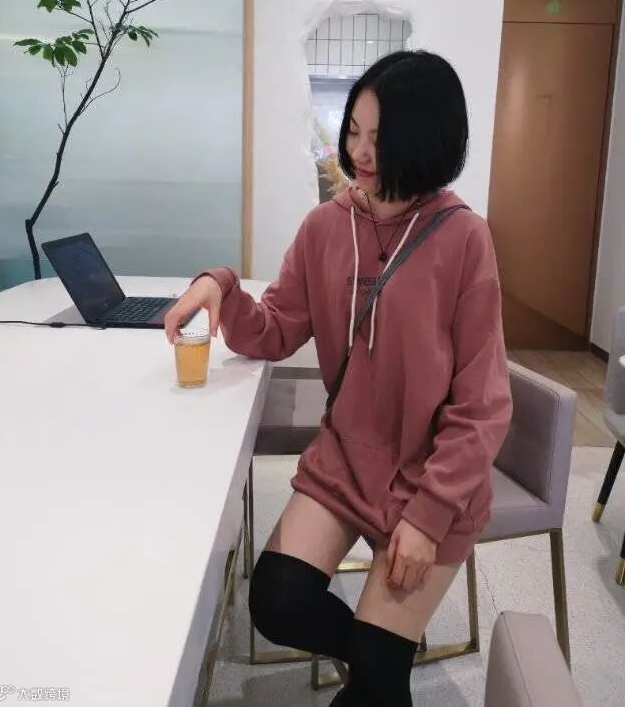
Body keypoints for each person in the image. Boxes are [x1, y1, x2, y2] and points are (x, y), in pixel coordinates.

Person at [165, 50, 513, 706]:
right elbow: (274, 329)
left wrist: (427, 518)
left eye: (380, 136)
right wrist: (222, 285)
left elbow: (483, 404)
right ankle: (383, 653)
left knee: (378, 677)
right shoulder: (326, 226)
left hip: (431, 475)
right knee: (277, 602)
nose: (360, 152)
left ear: (428, 138)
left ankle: (383, 660)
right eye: (353, 130)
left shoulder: (465, 239)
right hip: (346, 460)